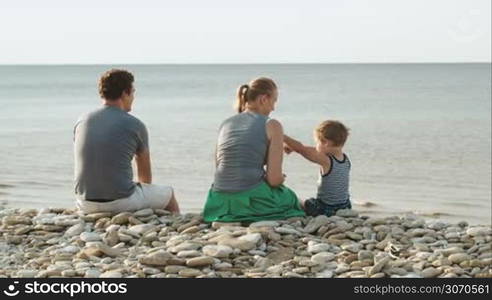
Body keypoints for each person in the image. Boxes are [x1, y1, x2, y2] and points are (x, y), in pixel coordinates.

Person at [73, 69, 180, 214]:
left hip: (84, 202)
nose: (133, 97)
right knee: (169, 195)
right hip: (120, 201)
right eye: (133, 92)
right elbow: (145, 175)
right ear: (125, 92)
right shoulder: (135, 124)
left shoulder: (82, 120)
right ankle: (174, 232)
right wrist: (145, 197)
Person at [203, 77, 305, 223]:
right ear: (264, 99)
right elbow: (274, 180)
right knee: (290, 197)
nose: (273, 108)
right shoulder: (272, 124)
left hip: (218, 202)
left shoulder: (226, 124)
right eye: (274, 101)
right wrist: (282, 177)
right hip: (253, 202)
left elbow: (221, 167)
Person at [284, 120, 351, 216]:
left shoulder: (327, 161)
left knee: (299, 201)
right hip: (345, 206)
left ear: (326, 143)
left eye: (317, 142)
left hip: (326, 209)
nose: (316, 146)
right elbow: (310, 150)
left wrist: (283, 136)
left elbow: (301, 149)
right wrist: (292, 148)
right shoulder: (345, 159)